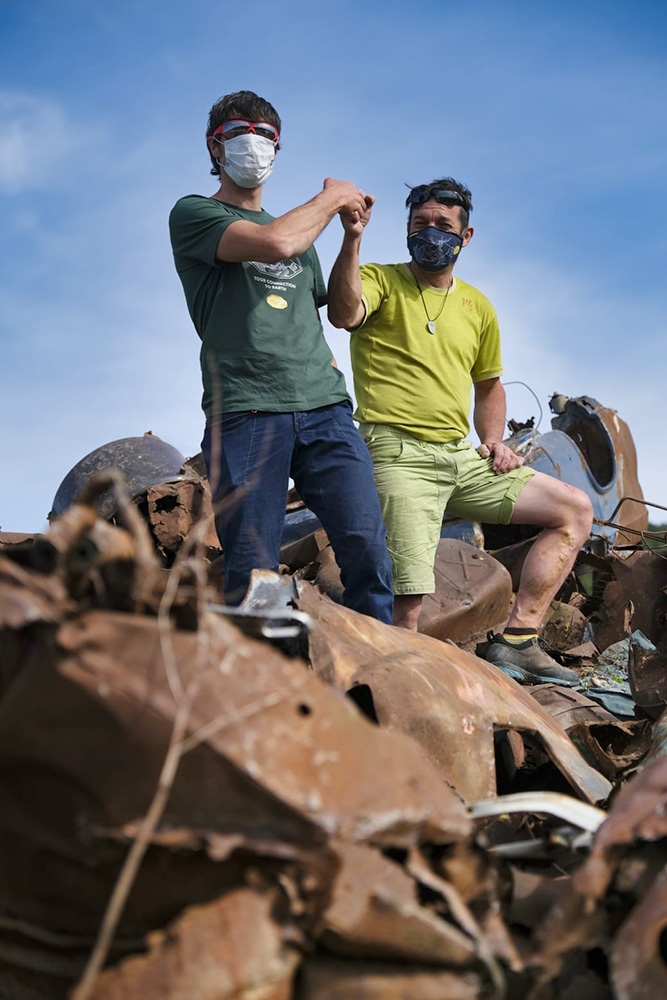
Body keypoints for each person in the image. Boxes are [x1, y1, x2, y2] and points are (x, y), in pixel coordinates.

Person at [327, 177, 593, 683]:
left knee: (574, 510)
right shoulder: (380, 280)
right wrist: (352, 237)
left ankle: (518, 640)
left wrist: (493, 440)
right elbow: (344, 314)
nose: (430, 234)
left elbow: (490, 386)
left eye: (443, 226)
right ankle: (389, 703)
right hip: (397, 455)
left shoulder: (478, 306)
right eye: (419, 224)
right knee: (408, 607)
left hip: (462, 459)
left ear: (465, 236)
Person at [169, 90, 393, 623]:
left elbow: (342, 312)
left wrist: (351, 239)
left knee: (367, 548)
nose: (254, 145)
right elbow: (275, 244)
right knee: (254, 572)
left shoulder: (301, 230)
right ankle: (263, 689)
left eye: (266, 136)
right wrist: (336, 195)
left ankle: (380, 681)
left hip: (325, 410)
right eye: (239, 135)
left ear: (278, 148)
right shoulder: (196, 214)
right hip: (247, 412)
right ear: (214, 148)